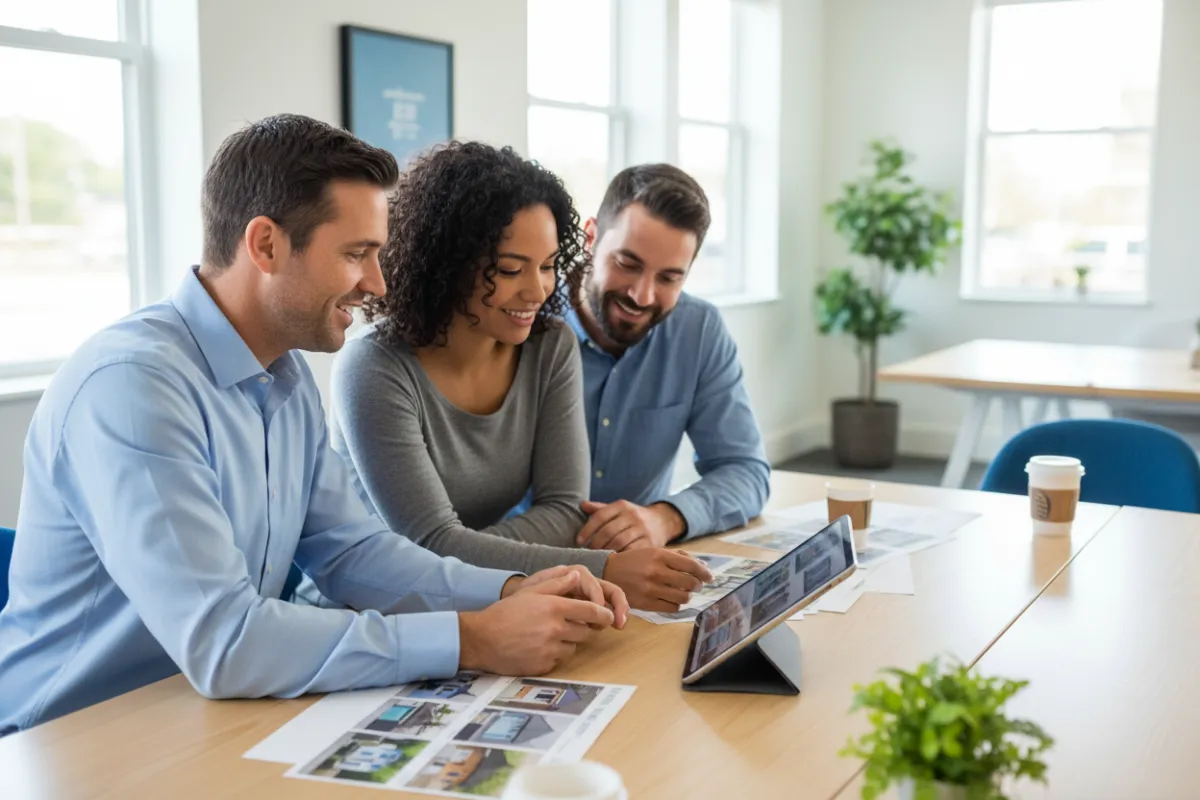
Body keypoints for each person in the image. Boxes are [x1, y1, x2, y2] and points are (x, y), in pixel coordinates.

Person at [0, 115, 626, 735]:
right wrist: (469, 638)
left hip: (199, 720)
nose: (377, 284)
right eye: (357, 254)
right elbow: (226, 641)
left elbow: (355, 553)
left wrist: (512, 590)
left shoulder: (286, 375)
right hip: (66, 740)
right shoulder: (133, 386)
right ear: (266, 245)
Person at [312, 141, 713, 614]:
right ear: (449, 263)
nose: (538, 290)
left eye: (546, 266)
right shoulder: (374, 368)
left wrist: (462, 553)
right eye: (509, 269)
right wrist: (599, 567)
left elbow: (564, 508)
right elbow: (428, 543)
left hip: (487, 598)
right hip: (369, 615)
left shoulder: (549, 345)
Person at [568, 164, 771, 552]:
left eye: (668, 278)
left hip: (633, 568)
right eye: (628, 264)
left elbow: (745, 470)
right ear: (590, 237)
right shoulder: (527, 320)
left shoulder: (698, 331)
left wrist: (666, 517)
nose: (642, 296)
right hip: (517, 569)